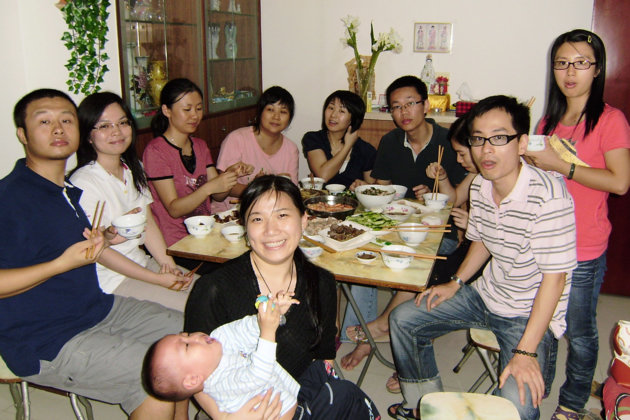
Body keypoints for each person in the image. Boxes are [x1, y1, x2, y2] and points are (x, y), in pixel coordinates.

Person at [0, 88, 189, 419]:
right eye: (44, 121)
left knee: (190, 339)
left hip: (99, 309)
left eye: (66, 120)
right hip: (45, 339)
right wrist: (61, 264)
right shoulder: (10, 198)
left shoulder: (66, 192)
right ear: (22, 135)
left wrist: (105, 240)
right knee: (153, 374)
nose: (58, 129)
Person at [388, 95, 577, 420]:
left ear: (521, 143)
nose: (486, 150)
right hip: (485, 295)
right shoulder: (480, 186)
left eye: (499, 138)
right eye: (478, 139)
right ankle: (422, 405)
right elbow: (483, 241)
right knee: (403, 319)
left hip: (529, 313)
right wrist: (456, 283)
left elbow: (555, 280)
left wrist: (525, 351)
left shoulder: (549, 197)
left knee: (517, 406)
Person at [184, 175, 380, 419]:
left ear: (304, 220)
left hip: (300, 401)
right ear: (245, 227)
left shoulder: (322, 283)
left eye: (282, 215)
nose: (271, 230)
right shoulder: (214, 288)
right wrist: (227, 417)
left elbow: (324, 358)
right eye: (257, 219)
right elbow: (192, 370)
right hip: (232, 407)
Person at [524, 29, 630, 420]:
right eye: (562, 63)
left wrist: (563, 165)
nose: (570, 72)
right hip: (545, 239)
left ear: (597, 69)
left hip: (583, 245)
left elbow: (620, 182)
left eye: (581, 63)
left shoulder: (611, 120)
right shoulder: (548, 119)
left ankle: (572, 402)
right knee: (544, 322)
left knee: (579, 331)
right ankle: (538, 389)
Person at [339, 76, 466, 372]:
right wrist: (366, 189)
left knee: (415, 266)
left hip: (439, 232)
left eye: (410, 103)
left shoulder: (448, 141)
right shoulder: (390, 141)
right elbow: (383, 189)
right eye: (396, 106)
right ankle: (365, 333)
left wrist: (434, 192)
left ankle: (390, 339)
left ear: (426, 105)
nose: (403, 112)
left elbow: (457, 200)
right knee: (364, 254)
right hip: (396, 225)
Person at [69, 92, 193, 311]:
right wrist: (158, 280)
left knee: (207, 292)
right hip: (112, 280)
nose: (116, 131)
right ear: (88, 135)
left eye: (123, 123)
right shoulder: (83, 182)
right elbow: (100, 252)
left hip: (142, 263)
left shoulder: (132, 168)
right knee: (194, 307)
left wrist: (169, 266)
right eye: (104, 126)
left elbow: (149, 223)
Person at [142, 78, 247, 272]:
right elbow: (174, 209)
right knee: (234, 272)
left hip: (204, 236)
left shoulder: (200, 146)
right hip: (177, 245)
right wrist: (209, 187)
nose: (195, 116)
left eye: (198, 109)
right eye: (187, 109)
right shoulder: (156, 151)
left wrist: (230, 176)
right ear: (166, 110)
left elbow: (218, 195)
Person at [145, 294, 300, 419]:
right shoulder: (219, 384)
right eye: (187, 345)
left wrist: (268, 314)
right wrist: (268, 331)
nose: (195, 336)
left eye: (187, 335)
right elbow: (259, 373)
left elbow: (244, 330)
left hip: (295, 394)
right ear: (193, 379)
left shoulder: (218, 338)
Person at [212, 86, 300, 213]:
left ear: (290, 118)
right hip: (230, 212)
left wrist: (263, 189)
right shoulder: (237, 139)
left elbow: (290, 188)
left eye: (283, 112)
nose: (276, 116)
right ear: (260, 112)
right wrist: (257, 188)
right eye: (270, 109)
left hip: (270, 211)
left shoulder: (291, 149)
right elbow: (223, 186)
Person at [302, 90, 376, 188]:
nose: (333, 115)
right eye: (331, 108)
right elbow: (323, 175)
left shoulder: (366, 150)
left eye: (342, 111)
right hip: (321, 198)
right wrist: (348, 146)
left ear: (353, 118)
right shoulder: (313, 139)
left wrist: (363, 186)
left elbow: (371, 189)